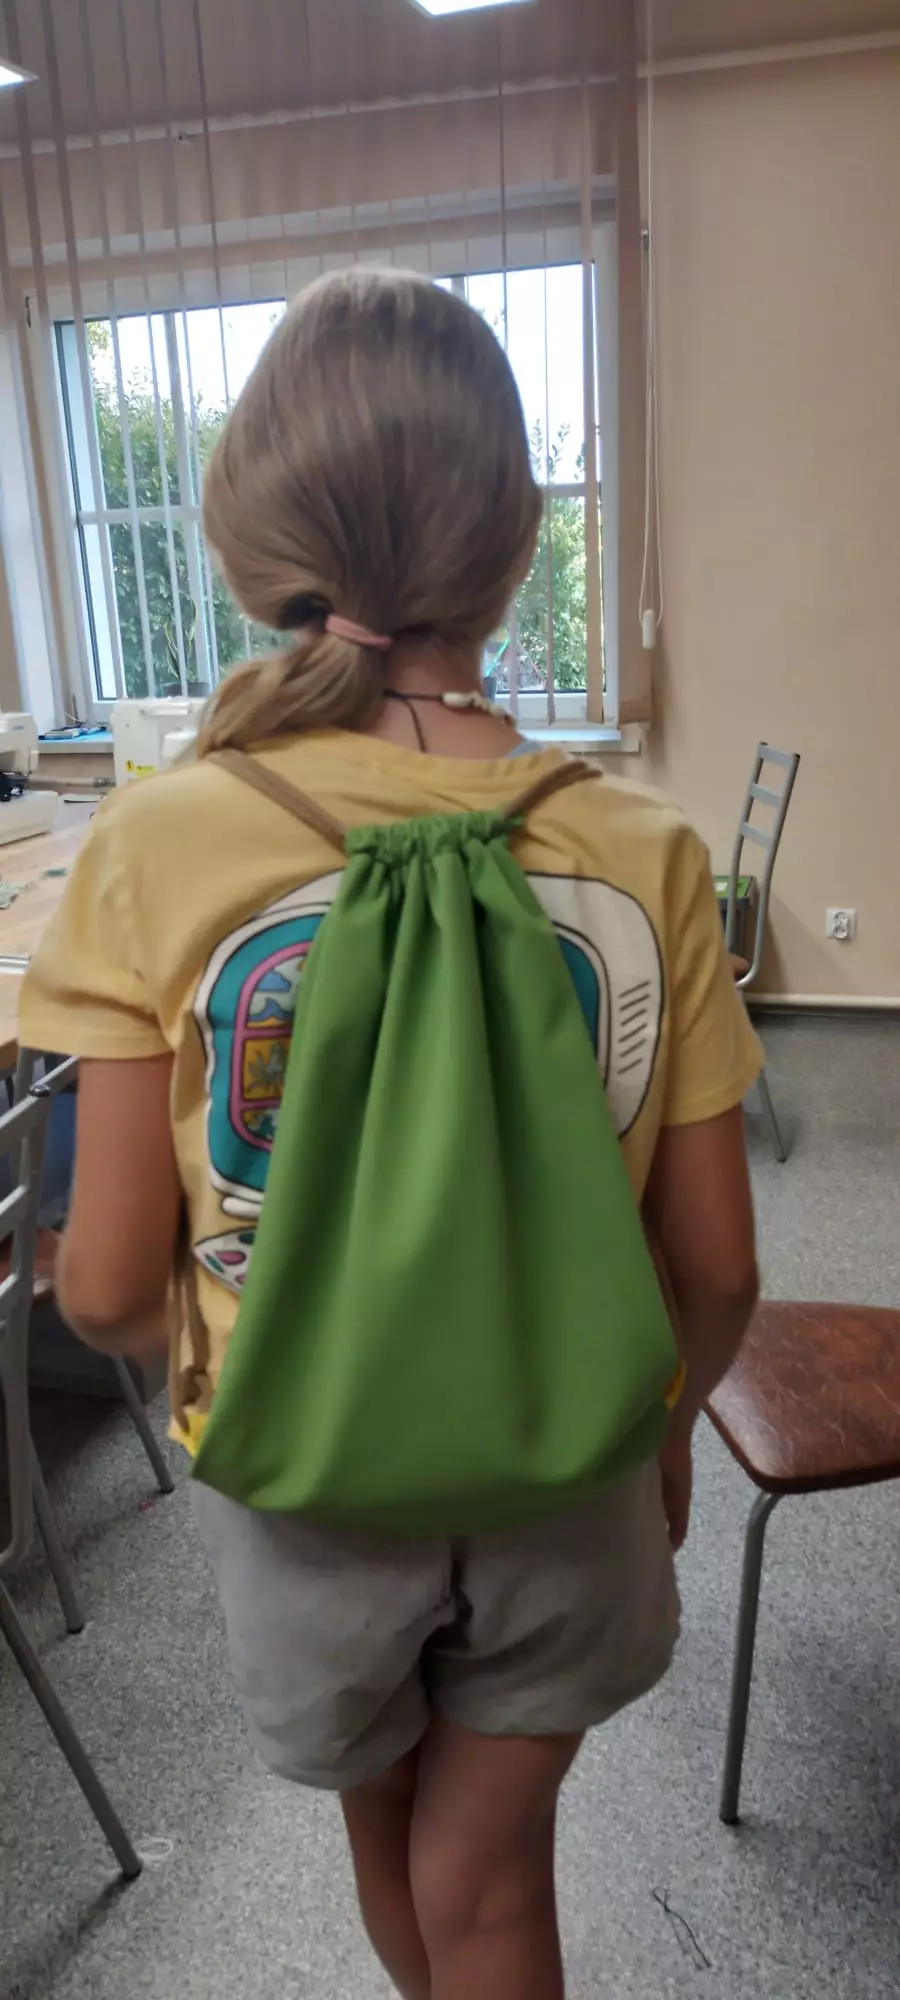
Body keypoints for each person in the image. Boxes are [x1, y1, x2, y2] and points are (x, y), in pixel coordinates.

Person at [21, 268, 761, 2000]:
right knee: (487, 1869)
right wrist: (661, 1428)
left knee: (395, 1845)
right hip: (571, 1465)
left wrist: (199, 1328)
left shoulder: (156, 844)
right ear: (513, 543)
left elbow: (108, 1286)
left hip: (305, 1474)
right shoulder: (644, 849)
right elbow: (718, 1267)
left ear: (254, 533)